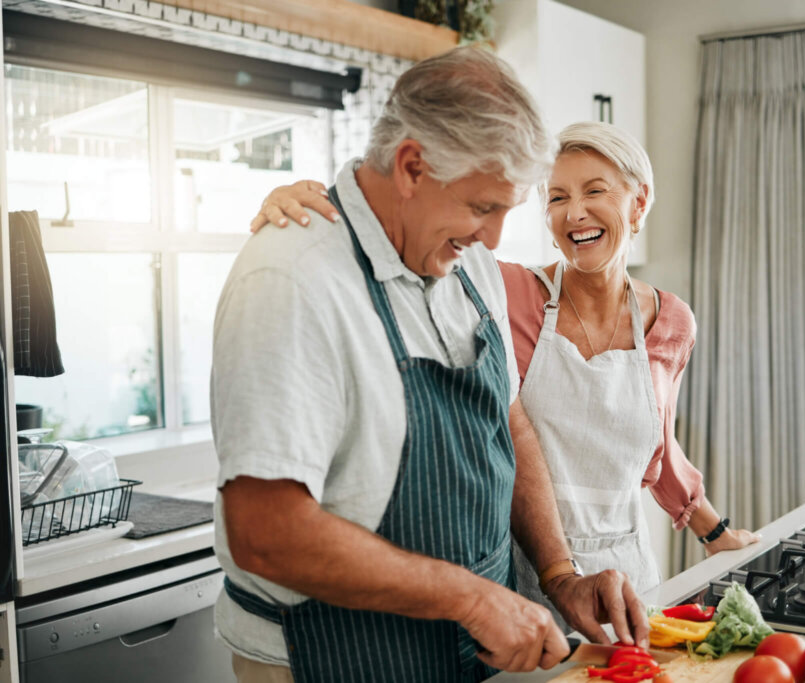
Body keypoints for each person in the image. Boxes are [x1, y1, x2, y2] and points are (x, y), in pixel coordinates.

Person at [213, 48, 649, 683]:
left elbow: (509, 421)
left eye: (506, 209)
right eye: (482, 207)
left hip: (468, 650)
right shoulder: (292, 280)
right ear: (412, 166)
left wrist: (559, 576)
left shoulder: (467, 262)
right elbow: (265, 531)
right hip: (334, 657)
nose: (496, 238)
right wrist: (470, 598)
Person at [254, 120, 760, 625]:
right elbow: (402, 248)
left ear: (639, 201)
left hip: (629, 581)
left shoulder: (671, 321)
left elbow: (657, 446)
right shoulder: (507, 291)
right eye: (557, 197)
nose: (574, 212)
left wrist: (717, 535)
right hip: (520, 578)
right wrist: (312, 208)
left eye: (594, 191)